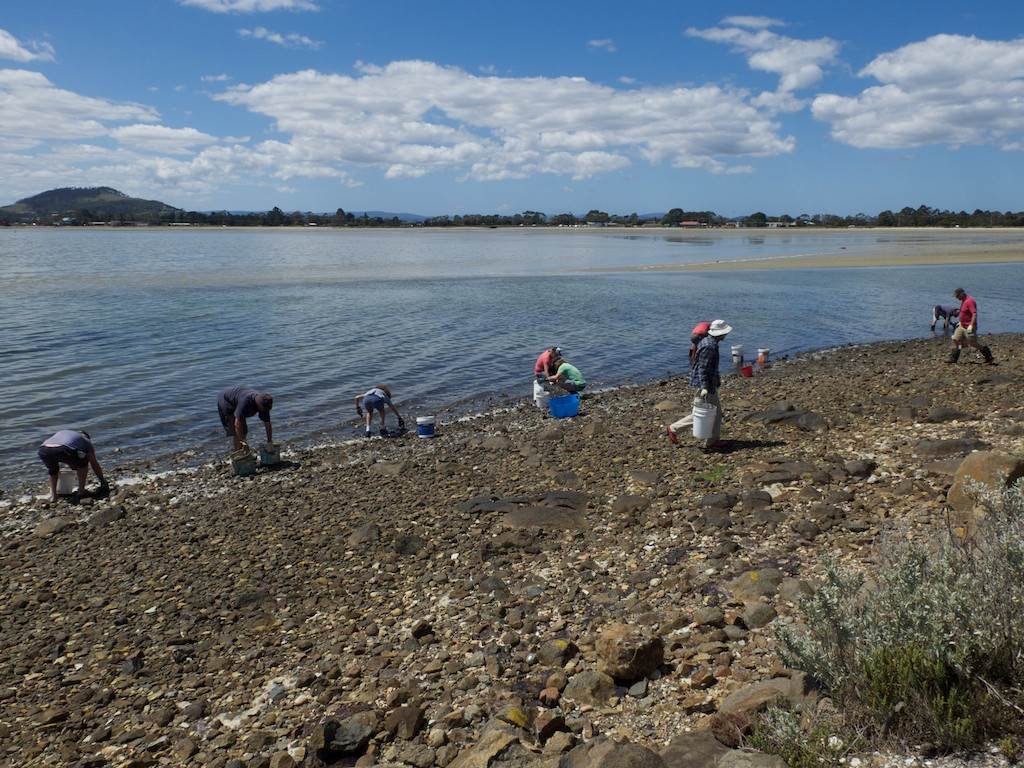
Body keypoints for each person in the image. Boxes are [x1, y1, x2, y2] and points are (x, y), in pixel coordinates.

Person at [680, 318, 731, 449]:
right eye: (725, 333)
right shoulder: (710, 346)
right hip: (704, 385)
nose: (726, 335)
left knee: (704, 412)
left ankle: (712, 440)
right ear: (720, 333)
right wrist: (704, 388)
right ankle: (674, 429)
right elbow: (703, 368)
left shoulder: (710, 342)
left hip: (707, 383)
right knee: (708, 413)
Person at [38, 429, 109, 502]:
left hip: (43, 450)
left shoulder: (64, 433)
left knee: (53, 471)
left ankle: (54, 496)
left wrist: (74, 465)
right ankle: (81, 491)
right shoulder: (86, 441)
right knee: (83, 463)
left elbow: (66, 456)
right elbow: (94, 463)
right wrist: (102, 480)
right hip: (63, 448)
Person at [218, 386, 273, 451]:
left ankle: (242, 448)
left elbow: (268, 424)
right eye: (263, 409)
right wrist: (243, 442)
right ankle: (238, 451)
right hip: (226, 400)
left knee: (244, 430)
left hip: (239, 397)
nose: (265, 411)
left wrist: (269, 442)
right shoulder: (245, 402)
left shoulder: (265, 404)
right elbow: (237, 424)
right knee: (235, 430)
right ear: (258, 405)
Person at [948, 288, 994, 365]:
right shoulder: (963, 300)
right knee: (956, 340)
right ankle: (954, 358)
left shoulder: (970, 301)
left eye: (957, 296)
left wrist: (971, 325)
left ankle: (989, 356)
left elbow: (974, 314)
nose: (957, 298)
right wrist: (960, 321)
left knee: (973, 343)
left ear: (962, 294)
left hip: (969, 327)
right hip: (961, 326)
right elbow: (964, 313)